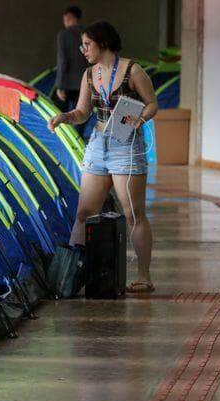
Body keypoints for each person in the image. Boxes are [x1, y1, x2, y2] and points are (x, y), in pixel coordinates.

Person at [48, 21, 158, 293]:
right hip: (98, 144)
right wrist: (64, 117)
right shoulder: (89, 75)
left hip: (127, 146)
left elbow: (152, 103)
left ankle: (143, 276)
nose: (83, 50)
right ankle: (71, 276)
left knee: (133, 214)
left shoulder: (132, 70)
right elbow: (83, 112)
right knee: (84, 213)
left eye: (87, 44)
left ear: (103, 43)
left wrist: (139, 118)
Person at [55, 5, 88, 136]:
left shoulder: (64, 35)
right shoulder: (87, 33)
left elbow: (62, 61)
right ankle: (78, 139)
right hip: (85, 81)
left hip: (68, 83)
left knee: (59, 112)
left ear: (70, 18)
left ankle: (63, 140)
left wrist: (59, 86)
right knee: (82, 112)